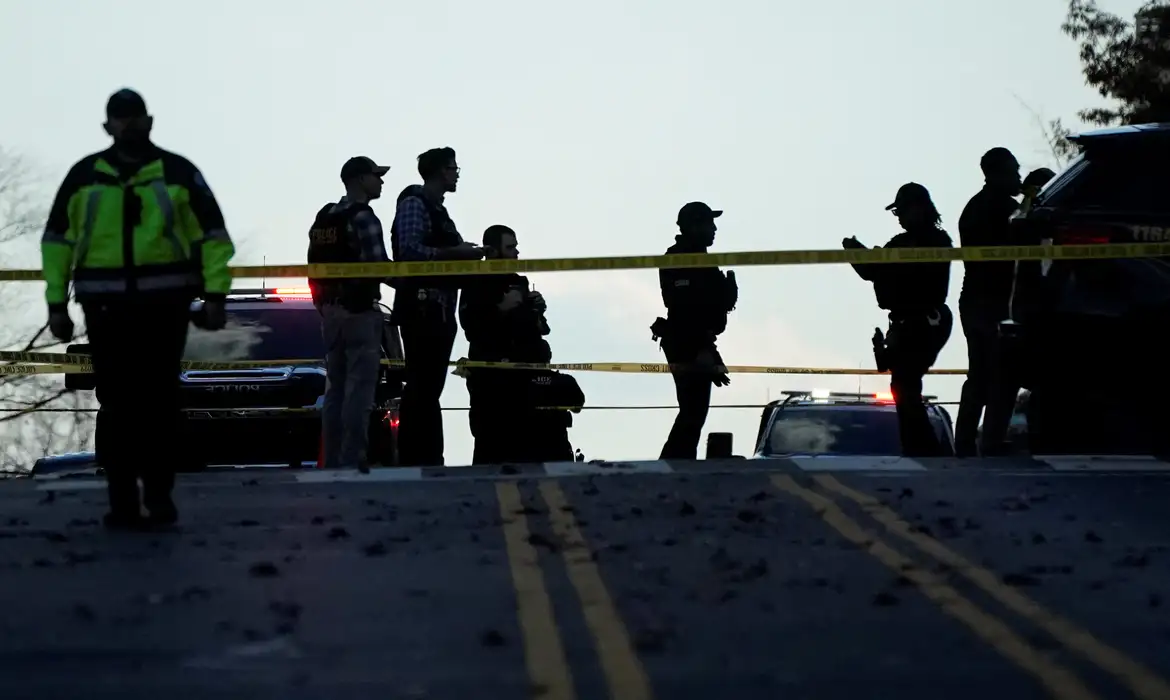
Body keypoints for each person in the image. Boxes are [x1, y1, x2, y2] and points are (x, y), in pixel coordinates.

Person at [41, 88, 234, 529]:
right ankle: (124, 501)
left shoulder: (178, 173)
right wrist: (55, 303)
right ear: (108, 126)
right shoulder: (85, 176)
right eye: (120, 119)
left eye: (132, 118)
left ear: (149, 121)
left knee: (158, 399)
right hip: (108, 306)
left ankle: (159, 497)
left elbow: (213, 237)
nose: (127, 126)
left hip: (162, 306)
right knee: (120, 401)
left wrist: (217, 297)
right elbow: (57, 243)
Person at [389, 147, 485, 466]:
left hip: (439, 309)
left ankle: (428, 456)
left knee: (429, 389)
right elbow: (410, 252)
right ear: (438, 171)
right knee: (421, 386)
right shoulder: (415, 204)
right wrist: (458, 253)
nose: (456, 173)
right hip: (423, 309)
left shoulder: (437, 210)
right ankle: (417, 457)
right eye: (452, 168)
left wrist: (461, 254)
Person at [844, 183, 954, 457]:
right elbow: (873, 270)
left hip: (925, 320)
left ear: (918, 208)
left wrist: (864, 257)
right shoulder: (906, 243)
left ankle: (925, 449)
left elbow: (879, 271)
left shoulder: (933, 242)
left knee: (905, 384)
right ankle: (919, 448)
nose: (899, 217)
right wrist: (857, 253)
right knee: (903, 386)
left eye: (902, 210)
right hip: (910, 321)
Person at [459, 225, 583, 463]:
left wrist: (535, 309)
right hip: (493, 381)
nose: (516, 253)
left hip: (528, 376)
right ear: (494, 252)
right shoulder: (476, 282)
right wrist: (502, 308)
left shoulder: (519, 282)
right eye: (510, 247)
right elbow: (472, 327)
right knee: (493, 448)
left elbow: (535, 328)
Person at [306, 156, 393, 473]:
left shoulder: (325, 217)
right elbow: (380, 266)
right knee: (359, 391)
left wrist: (323, 308)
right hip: (359, 312)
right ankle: (352, 458)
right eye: (376, 176)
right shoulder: (364, 217)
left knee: (335, 391)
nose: (381, 181)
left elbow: (312, 267)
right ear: (359, 179)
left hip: (330, 313)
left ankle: (330, 460)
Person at [652, 202, 737, 460]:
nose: (714, 229)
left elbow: (705, 305)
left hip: (695, 340)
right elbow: (685, 308)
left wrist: (726, 294)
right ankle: (675, 462)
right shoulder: (679, 259)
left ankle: (679, 461)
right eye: (708, 223)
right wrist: (703, 350)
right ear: (693, 226)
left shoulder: (701, 260)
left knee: (695, 410)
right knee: (693, 410)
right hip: (685, 341)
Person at [954, 148, 1023, 456]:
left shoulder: (978, 207)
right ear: (996, 174)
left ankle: (968, 443)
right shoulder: (1001, 209)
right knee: (1000, 374)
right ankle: (988, 441)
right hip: (990, 302)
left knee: (981, 375)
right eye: (1014, 172)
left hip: (979, 301)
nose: (1018, 178)